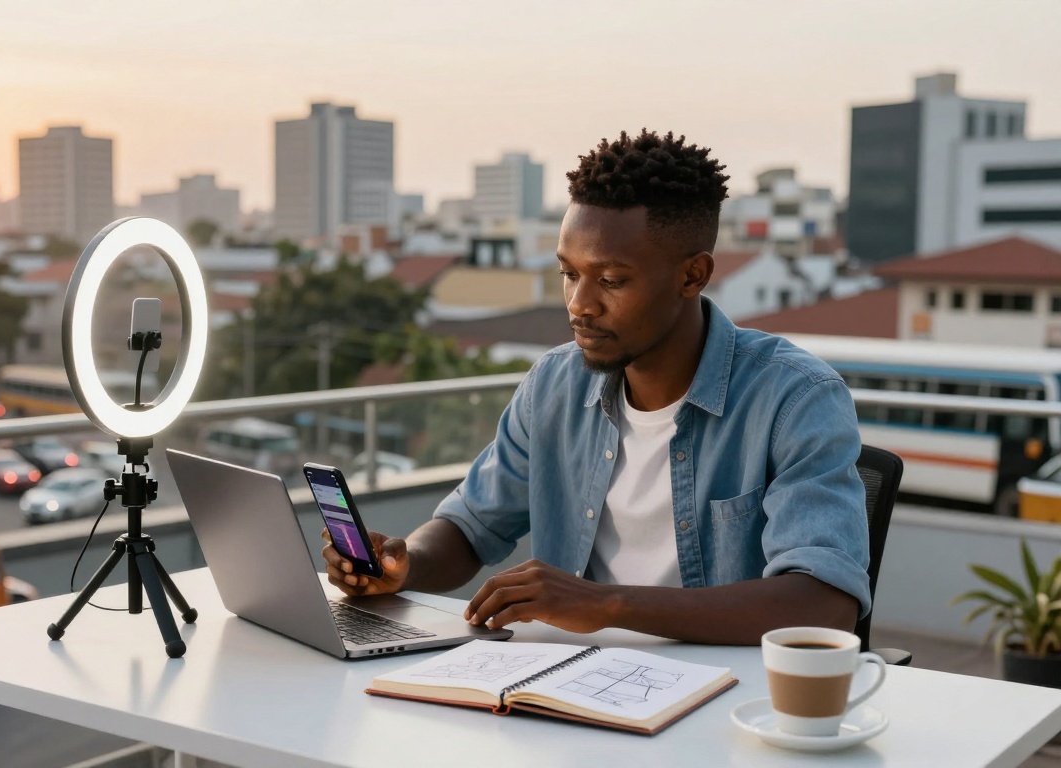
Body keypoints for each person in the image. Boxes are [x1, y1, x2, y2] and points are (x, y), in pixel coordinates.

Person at [322, 129, 869, 645]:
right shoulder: (555, 384)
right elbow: (470, 527)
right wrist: (404, 563)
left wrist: (607, 606)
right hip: (567, 687)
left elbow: (823, 603)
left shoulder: (795, 398)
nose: (580, 303)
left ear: (692, 276)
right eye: (569, 273)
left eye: (610, 280)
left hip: (717, 701)